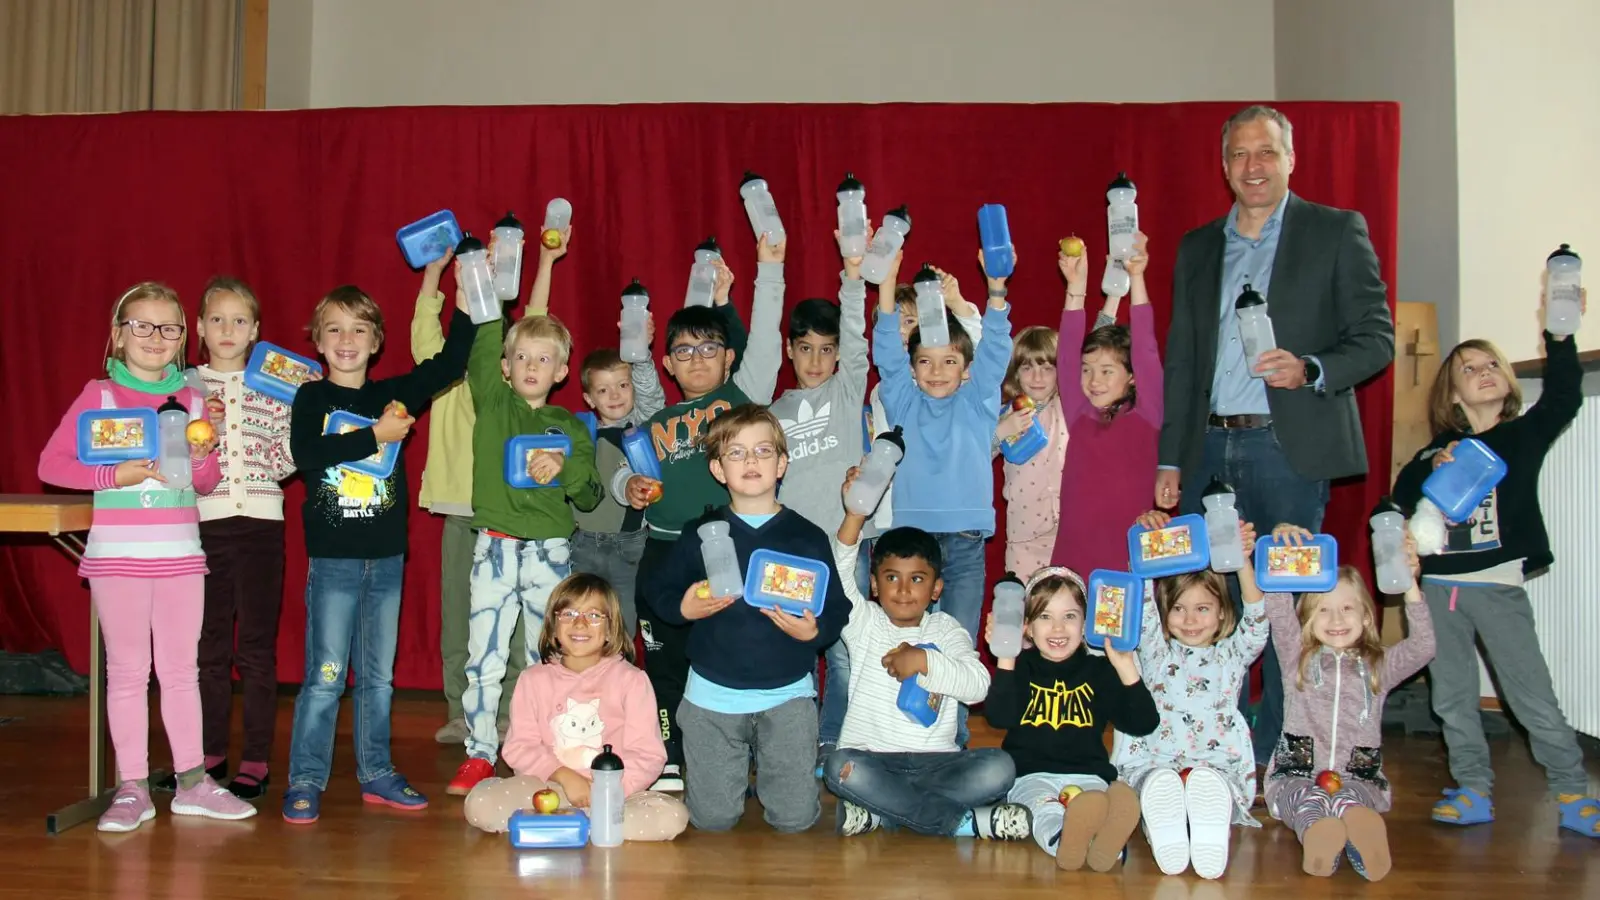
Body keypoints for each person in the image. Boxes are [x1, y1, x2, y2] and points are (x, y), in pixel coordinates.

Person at [1156, 104, 1396, 764]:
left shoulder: (1336, 231)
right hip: (1209, 449)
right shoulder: (1199, 246)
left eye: (1266, 152)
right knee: (1212, 607)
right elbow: (1181, 358)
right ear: (1224, 166)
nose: (1253, 166)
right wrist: (1170, 457)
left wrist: (1311, 368)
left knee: (1287, 612)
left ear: (1291, 159)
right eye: (1239, 154)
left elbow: (1376, 339)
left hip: (1289, 450)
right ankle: (1215, 754)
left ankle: (1284, 754)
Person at [38, 282, 256, 831]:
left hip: (182, 555)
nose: (155, 338)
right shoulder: (100, 395)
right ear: (118, 334)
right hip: (118, 557)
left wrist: (205, 456)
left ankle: (192, 782)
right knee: (128, 674)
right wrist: (115, 475)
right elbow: (52, 466)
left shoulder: (191, 395)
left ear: (184, 339)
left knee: (182, 671)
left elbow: (202, 484)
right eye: (142, 326)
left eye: (169, 328)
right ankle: (132, 787)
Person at [1391, 286, 1598, 837]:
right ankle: (1473, 788)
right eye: (1468, 369)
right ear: (1453, 396)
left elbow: (1563, 399)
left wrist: (1560, 332)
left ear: (1506, 382)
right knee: (1454, 698)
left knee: (1532, 697)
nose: (1483, 372)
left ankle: (1573, 792)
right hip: (1439, 592)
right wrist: (1436, 461)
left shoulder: (1522, 436)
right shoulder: (1438, 451)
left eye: (1491, 365)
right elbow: (1398, 499)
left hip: (1498, 587)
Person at [281, 281, 477, 824]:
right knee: (324, 677)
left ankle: (377, 772)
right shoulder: (312, 398)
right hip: (333, 562)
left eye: (359, 329)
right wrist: (378, 434)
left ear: (376, 341)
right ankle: (305, 778)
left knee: (378, 679)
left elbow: (452, 362)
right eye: (335, 329)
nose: (347, 339)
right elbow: (308, 454)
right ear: (318, 341)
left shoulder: (391, 394)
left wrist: (466, 288)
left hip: (386, 562)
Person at [621, 236, 784, 792]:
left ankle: (749, 754)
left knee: (734, 654)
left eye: (708, 348)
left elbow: (764, 336)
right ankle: (667, 755)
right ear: (667, 362)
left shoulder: (743, 397)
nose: (696, 359)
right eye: (684, 351)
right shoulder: (655, 412)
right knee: (664, 663)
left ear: (728, 357)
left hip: (729, 544)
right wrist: (638, 489)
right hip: (665, 552)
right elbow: (633, 382)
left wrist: (757, 277)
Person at [646, 405, 849, 832]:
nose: (751, 461)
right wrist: (682, 607)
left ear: (782, 463)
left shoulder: (807, 536)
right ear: (718, 470)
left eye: (762, 450)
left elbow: (837, 608)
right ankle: (729, 777)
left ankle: (770, 776)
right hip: (711, 699)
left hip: (788, 696)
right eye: (735, 453)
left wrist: (816, 630)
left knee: (795, 821)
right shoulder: (698, 533)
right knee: (713, 821)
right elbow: (657, 594)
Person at [445, 295, 602, 796]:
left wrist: (565, 467)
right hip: (494, 549)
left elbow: (591, 492)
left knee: (546, 661)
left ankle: (546, 756)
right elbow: (483, 343)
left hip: (550, 553)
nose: (532, 365)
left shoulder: (571, 426)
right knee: (484, 659)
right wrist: (486, 291)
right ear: (506, 368)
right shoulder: (494, 402)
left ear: (560, 371)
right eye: (522, 357)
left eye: (544, 358)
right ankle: (479, 754)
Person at [418, 230, 567, 746]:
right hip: (460, 504)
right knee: (463, 616)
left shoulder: (511, 379)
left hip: (510, 512)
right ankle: (462, 712)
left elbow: (537, 323)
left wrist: (545, 259)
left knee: (523, 621)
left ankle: (510, 712)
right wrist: (443, 276)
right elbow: (423, 324)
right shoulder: (438, 359)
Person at [823, 469, 1025, 839]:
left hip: (940, 765)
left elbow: (978, 687)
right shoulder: (863, 622)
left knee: (999, 767)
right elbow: (838, 572)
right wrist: (854, 515)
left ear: (936, 588)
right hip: (873, 760)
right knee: (840, 766)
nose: (903, 590)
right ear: (873, 584)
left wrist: (924, 661)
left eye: (917, 579)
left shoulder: (946, 628)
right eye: (891, 577)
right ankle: (953, 821)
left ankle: (883, 812)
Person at [872, 245, 1014, 747]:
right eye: (926, 361)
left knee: (956, 645)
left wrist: (995, 289)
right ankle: (902, 737)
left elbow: (997, 347)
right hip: (913, 544)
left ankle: (950, 741)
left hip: (967, 544)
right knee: (905, 641)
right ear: (912, 369)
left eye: (949, 360)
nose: (936, 370)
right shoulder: (904, 399)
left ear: (966, 368)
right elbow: (887, 351)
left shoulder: (978, 402)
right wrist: (887, 283)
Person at [178, 277, 299, 800]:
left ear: (256, 331)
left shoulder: (275, 385)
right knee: (206, 647)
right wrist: (202, 431)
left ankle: (255, 755)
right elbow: (170, 460)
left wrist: (264, 450)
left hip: (261, 525)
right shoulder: (181, 386)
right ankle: (208, 751)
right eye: (218, 320)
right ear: (200, 328)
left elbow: (293, 450)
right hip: (202, 524)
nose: (228, 330)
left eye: (240, 321)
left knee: (254, 647)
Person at [1261, 526, 1432, 881]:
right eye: (1323, 610)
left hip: (1358, 773)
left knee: (1353, 799)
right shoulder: (1298, 657)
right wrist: (1282, 547)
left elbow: (1422, 648)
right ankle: (1319, 836)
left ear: (1367, 616)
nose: (1336, 620)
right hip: (1299, 769)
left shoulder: (1378, 665)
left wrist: (1410, 583)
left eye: (1347, 609)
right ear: (1307, 619)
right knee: (1303, 799)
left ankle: (1357, 828)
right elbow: (1278, 609)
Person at [465, 573, 688, 841]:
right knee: (480, 804)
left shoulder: (633, 681)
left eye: (594, 615)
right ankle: (586, 825)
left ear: (610, 629)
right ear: (553, 627)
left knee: (672, 817)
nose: (580, 623)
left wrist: (606, 794)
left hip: (616, 796)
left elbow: (648, 755)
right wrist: (563, 777)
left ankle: (566, 825)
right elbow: (519, 747)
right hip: (547, 789)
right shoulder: (532, 679)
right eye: (568, 614)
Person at [1117, 511, 1270, 879]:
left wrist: (1242, 562)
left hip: (1214, 765)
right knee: (1155, 783)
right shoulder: (1156, 652)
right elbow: (1144, 605)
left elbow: (1256, 619)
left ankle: (1210, 830)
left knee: (1213, 785)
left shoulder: (1231, 654)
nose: (1189, 620)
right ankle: (1164, 826)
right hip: (1158, 761)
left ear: (1221, 614)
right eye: (1179, 609)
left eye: (1202, 609)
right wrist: (1146, 540)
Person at [768, 224, 871, 760]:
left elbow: (857, 341)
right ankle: (797, 747)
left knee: (849, 651)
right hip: (796, 549)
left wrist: (851, 275)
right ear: (790, 350)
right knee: (797, 651)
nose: (815, 361)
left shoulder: (847, 387)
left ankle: (837, 743)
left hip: (849, 544)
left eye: (825, 350)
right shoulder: (773, 409)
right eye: (805, 349)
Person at [985, 568, 1159, 872]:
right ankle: (1074, 841)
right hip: (1031, 775)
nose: (1057, 628)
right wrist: (1006, 656)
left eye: (1069, 616)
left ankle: (1100, 840)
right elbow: (999, 716)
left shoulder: (1100, 670)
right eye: (1044, 617)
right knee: (1042, 810)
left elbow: (1143, 724)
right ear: (1026, 627)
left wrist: (1125, 668)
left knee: (1103, 802)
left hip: (1089, 776)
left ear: (1086, 623)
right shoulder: (1021, 667)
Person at [1049, 234, 1162, 577]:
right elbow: (1067, 354)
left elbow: (1145, 347)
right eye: (1088, 370)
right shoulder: (1079, 413)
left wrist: (1138, 277)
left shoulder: (1148, 414)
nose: (1093, 380)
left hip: (1126, 558)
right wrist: (1076, 287)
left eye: (1106, 371)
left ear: (1132, 377)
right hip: (1074, 553)